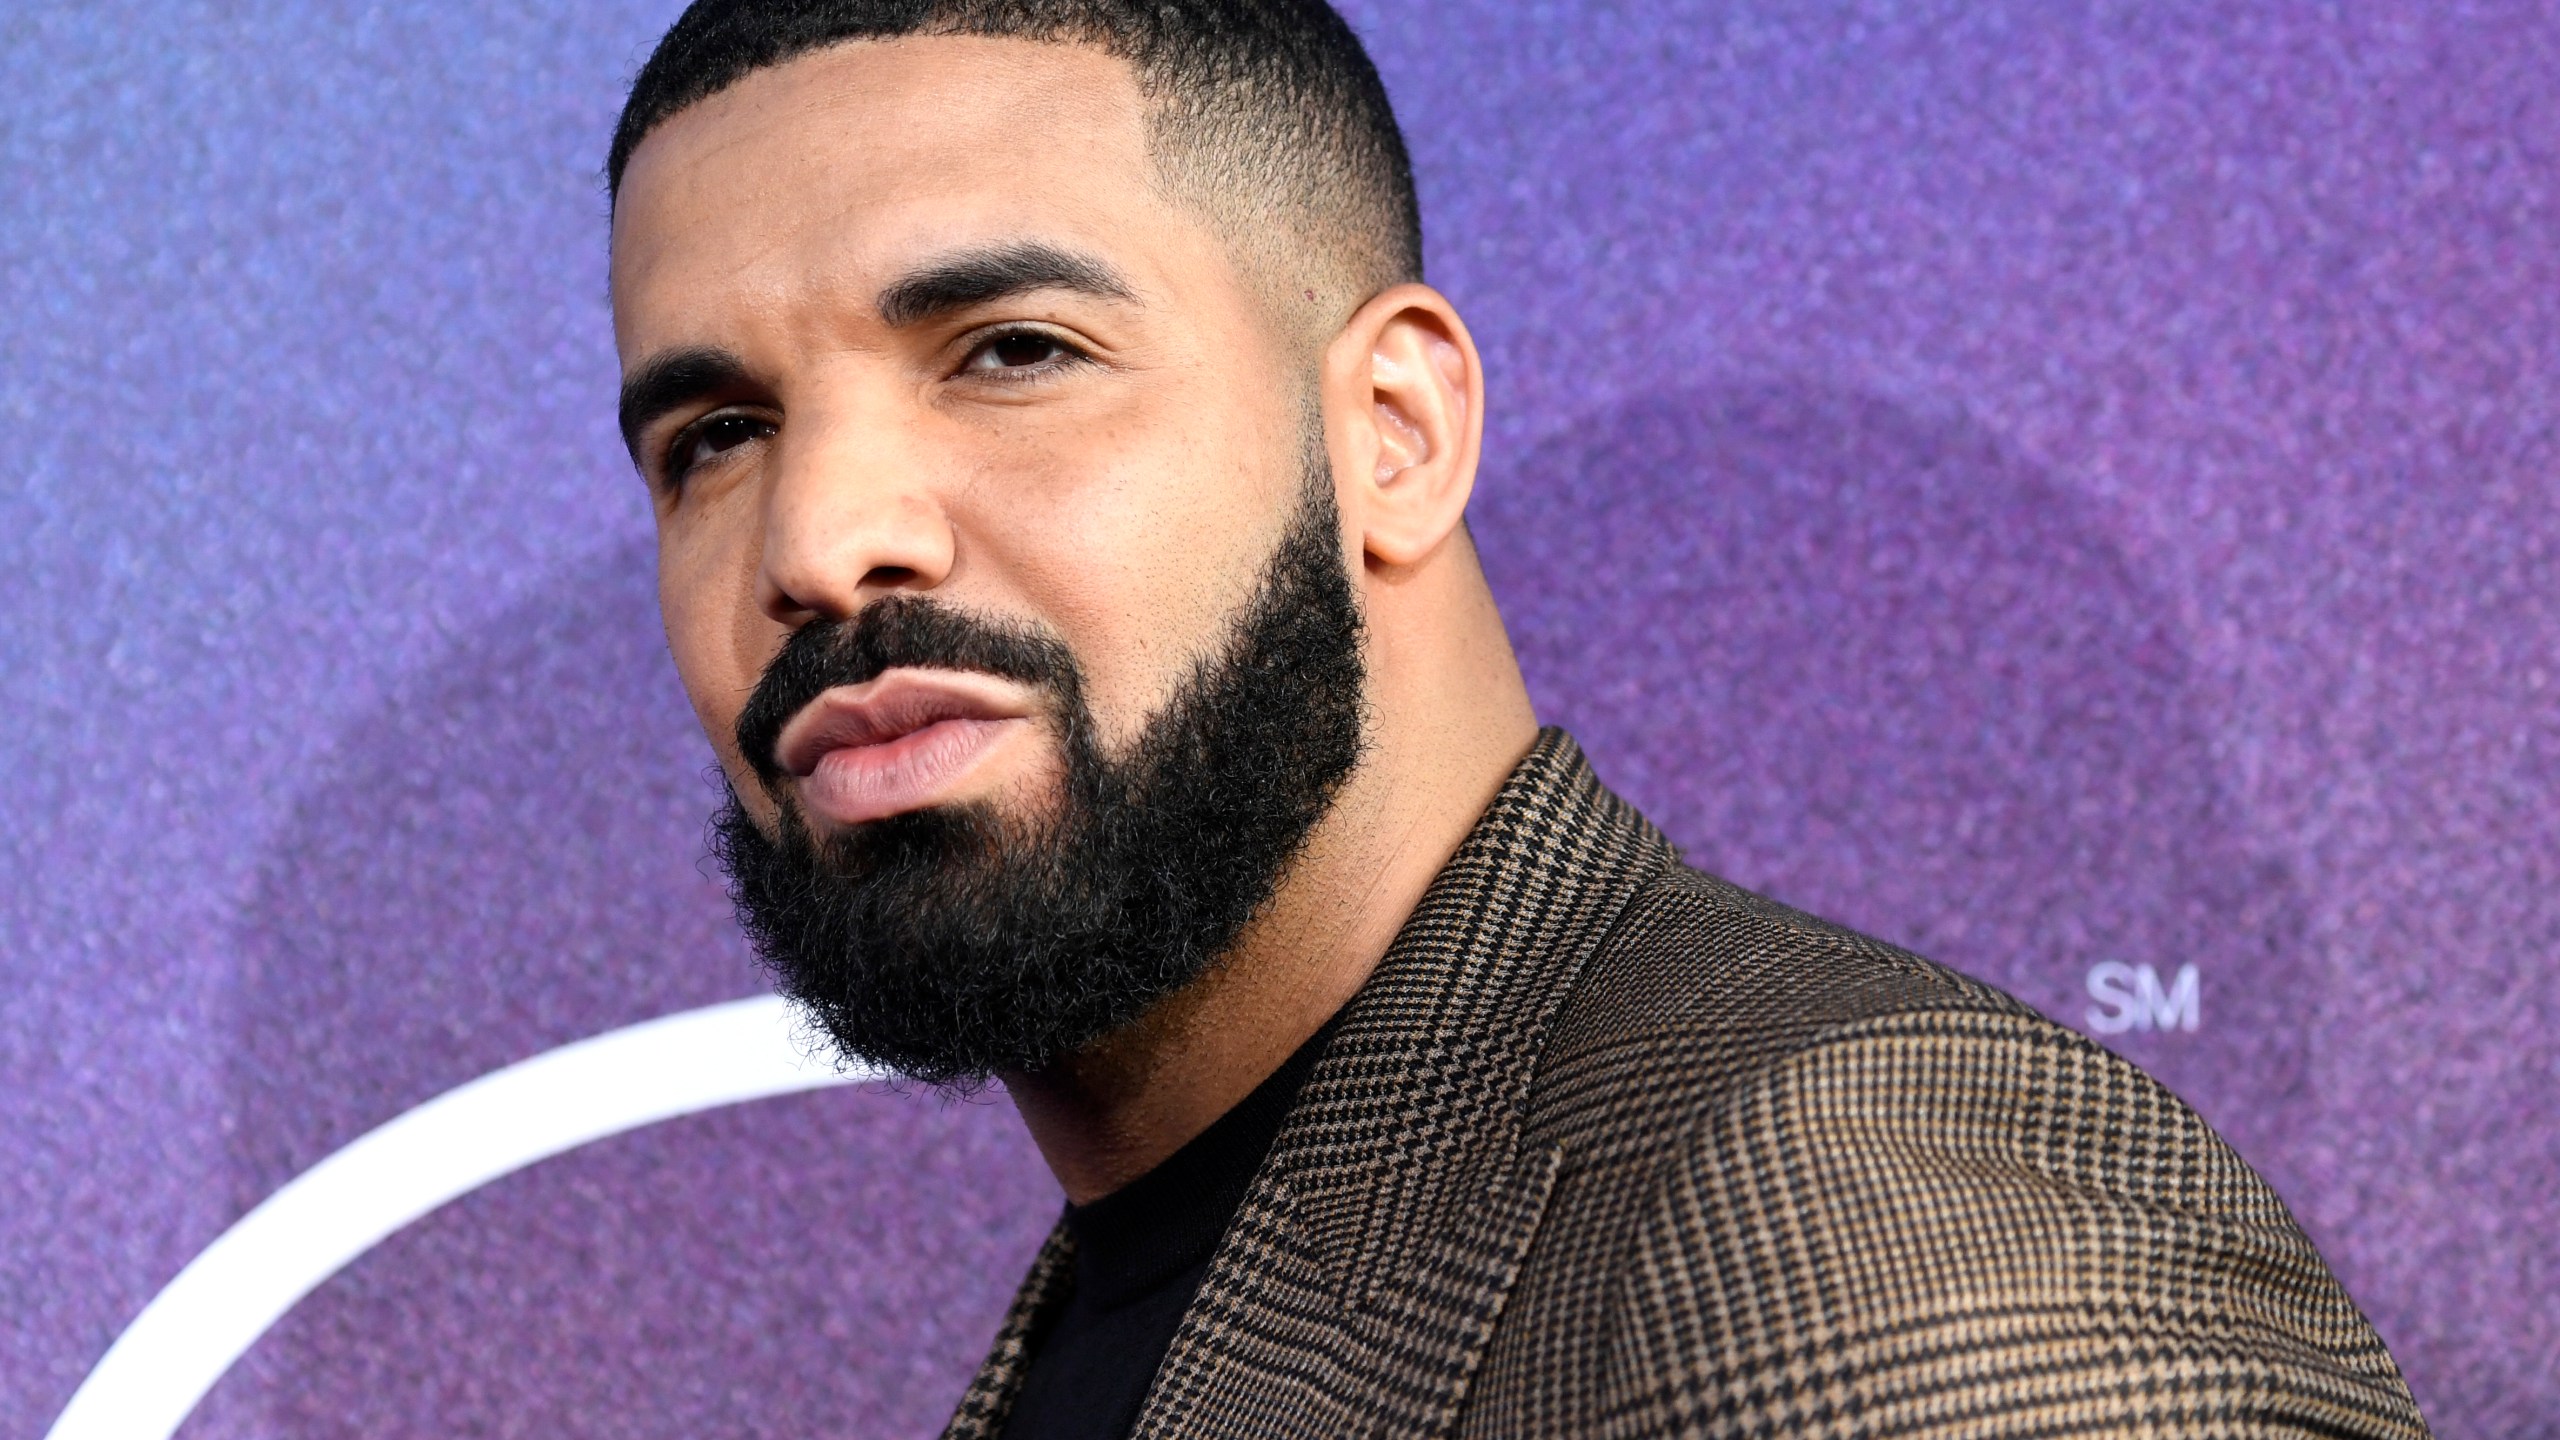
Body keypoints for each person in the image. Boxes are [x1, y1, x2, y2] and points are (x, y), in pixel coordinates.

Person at [602, 2, 2430, 1435]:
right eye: (715, 439)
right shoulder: (1137, 1301)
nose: (824, 544)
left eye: (1012, 351)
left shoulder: (1875, 1240)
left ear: (1393, 432)